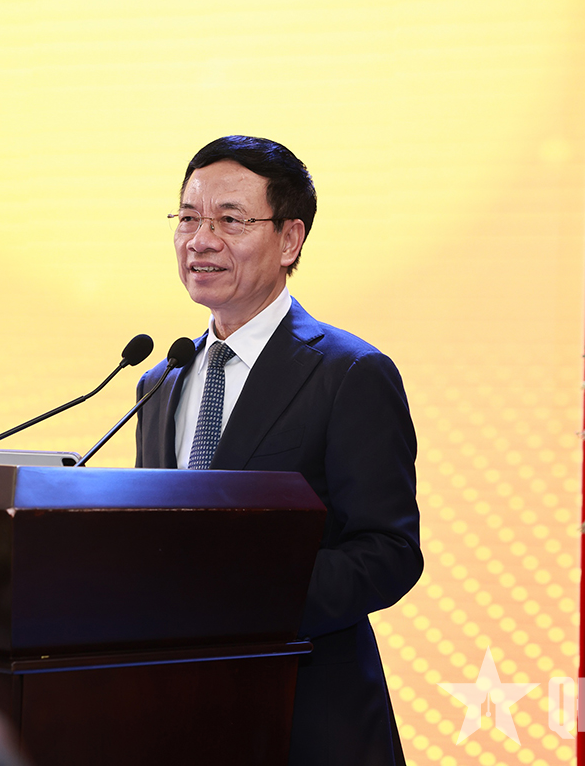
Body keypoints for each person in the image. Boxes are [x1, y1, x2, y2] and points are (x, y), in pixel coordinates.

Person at [135, 135, 422, 765]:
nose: (201, 240)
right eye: (188, 218)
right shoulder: (159, 382)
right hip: (178, 718)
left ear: (290, 239)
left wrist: (245, 600)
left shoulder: (350, 373)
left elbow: (389, 552)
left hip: (308, 719)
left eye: (230, 220)